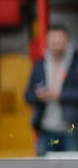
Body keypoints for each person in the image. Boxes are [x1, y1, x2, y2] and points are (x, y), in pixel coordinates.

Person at [24, 24, 78, 155]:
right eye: (54, 41)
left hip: (71, 129)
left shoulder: (75, 65)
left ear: (67, 41)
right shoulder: (39, 65)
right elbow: (27, 96)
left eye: (60, 41)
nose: (57, 45)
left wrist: (60, 95)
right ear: (48, 42)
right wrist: (38, 96)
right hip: (46, 130)